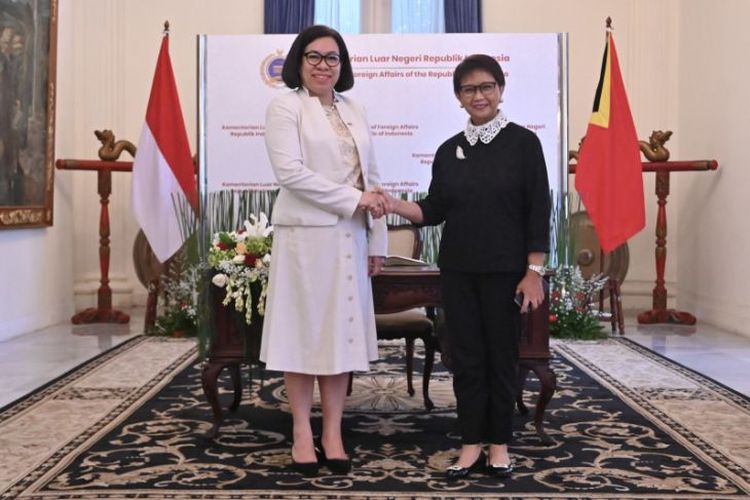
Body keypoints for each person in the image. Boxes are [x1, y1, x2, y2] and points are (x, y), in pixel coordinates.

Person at [381, 54, 550, 479]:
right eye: (469, 89)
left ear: (500, 90)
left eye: (487, 86)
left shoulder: (524, 144)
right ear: (459, 97)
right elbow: (435, 208)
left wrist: (534, 272)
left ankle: (499, 445)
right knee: (466, 360)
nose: (479, 95)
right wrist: (395, 203)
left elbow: (538, 211)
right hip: (458, 272)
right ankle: (471, 443)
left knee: (501, 359)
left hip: (506, 275)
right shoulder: (447, 150)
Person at [260, 25, 388, 476]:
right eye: (314, 57)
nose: (322, 65)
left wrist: (378, 238)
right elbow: (290, 173)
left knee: (341, 336)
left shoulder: (355, 109)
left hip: (350, 238)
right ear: (298, 62)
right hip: (305, 239)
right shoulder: (285, 106)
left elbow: (371, 178)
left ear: (342, 65)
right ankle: (300, 430)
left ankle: (332, 431)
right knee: (304, 336)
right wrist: (354, 201)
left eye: (332, 58)